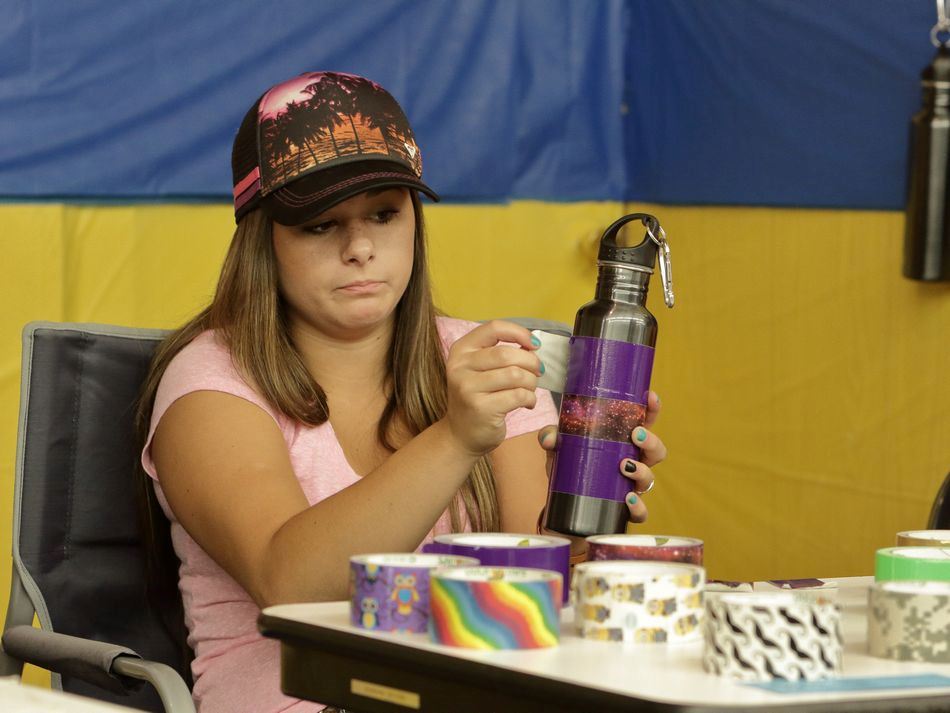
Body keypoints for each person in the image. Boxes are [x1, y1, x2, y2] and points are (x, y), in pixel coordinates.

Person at [136, 71, 666, 713]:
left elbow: (541, 598)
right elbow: (291, 587)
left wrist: (595, 514)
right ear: (261, 237)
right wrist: (455, 438)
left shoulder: (484, 359)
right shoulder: (209, 380)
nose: (361, 248)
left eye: (385, 214)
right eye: (320, 224)